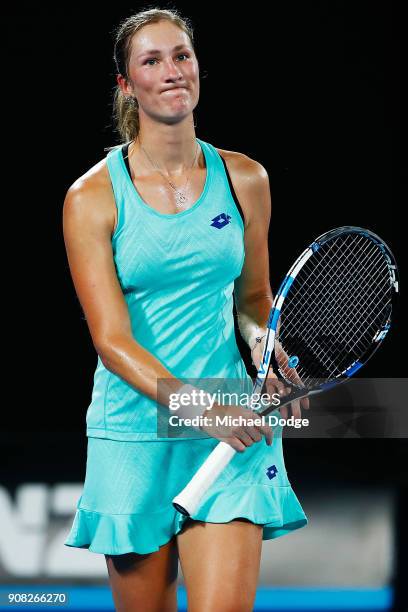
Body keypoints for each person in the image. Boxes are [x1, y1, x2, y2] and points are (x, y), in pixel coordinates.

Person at [63, 8, 309, 611]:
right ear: (128, 85)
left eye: (182, 56)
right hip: (134, 429)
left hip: (232, 426)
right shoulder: (91, 197)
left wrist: (261, 343)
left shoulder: (245, 178)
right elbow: (111, 342)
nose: (172, 72)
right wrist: (196, 407)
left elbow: (254, 301)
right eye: (152, 61)